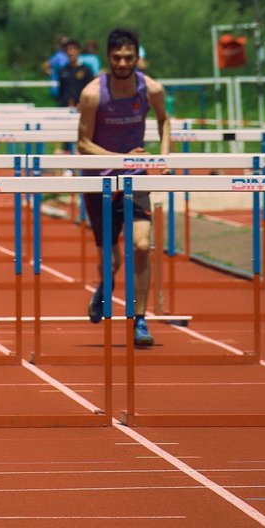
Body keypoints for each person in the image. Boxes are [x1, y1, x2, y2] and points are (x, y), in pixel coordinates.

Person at [76, 28, 171, 348]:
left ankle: (139, 319)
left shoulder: (151, 89)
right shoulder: (92, 94)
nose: (122, 62)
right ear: (108, 57)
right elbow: (83, 143)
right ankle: (105, 285)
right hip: (98, 181)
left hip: (135, 179)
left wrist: (164, 155)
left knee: (142, 246)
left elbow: (164, 120)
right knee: (112, 261)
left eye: (128, 57)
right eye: (117, 57)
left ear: (136, 57)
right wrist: (122, 158)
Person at [57, 39, 95, 108]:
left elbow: (91, 90)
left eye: (73, 49)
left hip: (82, 108)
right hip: (65, 108)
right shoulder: (63, 70)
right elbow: (61, 91)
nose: (70, 52)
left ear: (78, 51)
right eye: (68, 50)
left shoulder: (86, 70)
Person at [41, 35, 73, 103]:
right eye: (64, 44)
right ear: (60, 45)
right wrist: (52, 74)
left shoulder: (69, 55)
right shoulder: (58, 56)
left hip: (68, 88)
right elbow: (45, 66)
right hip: (59, 88)